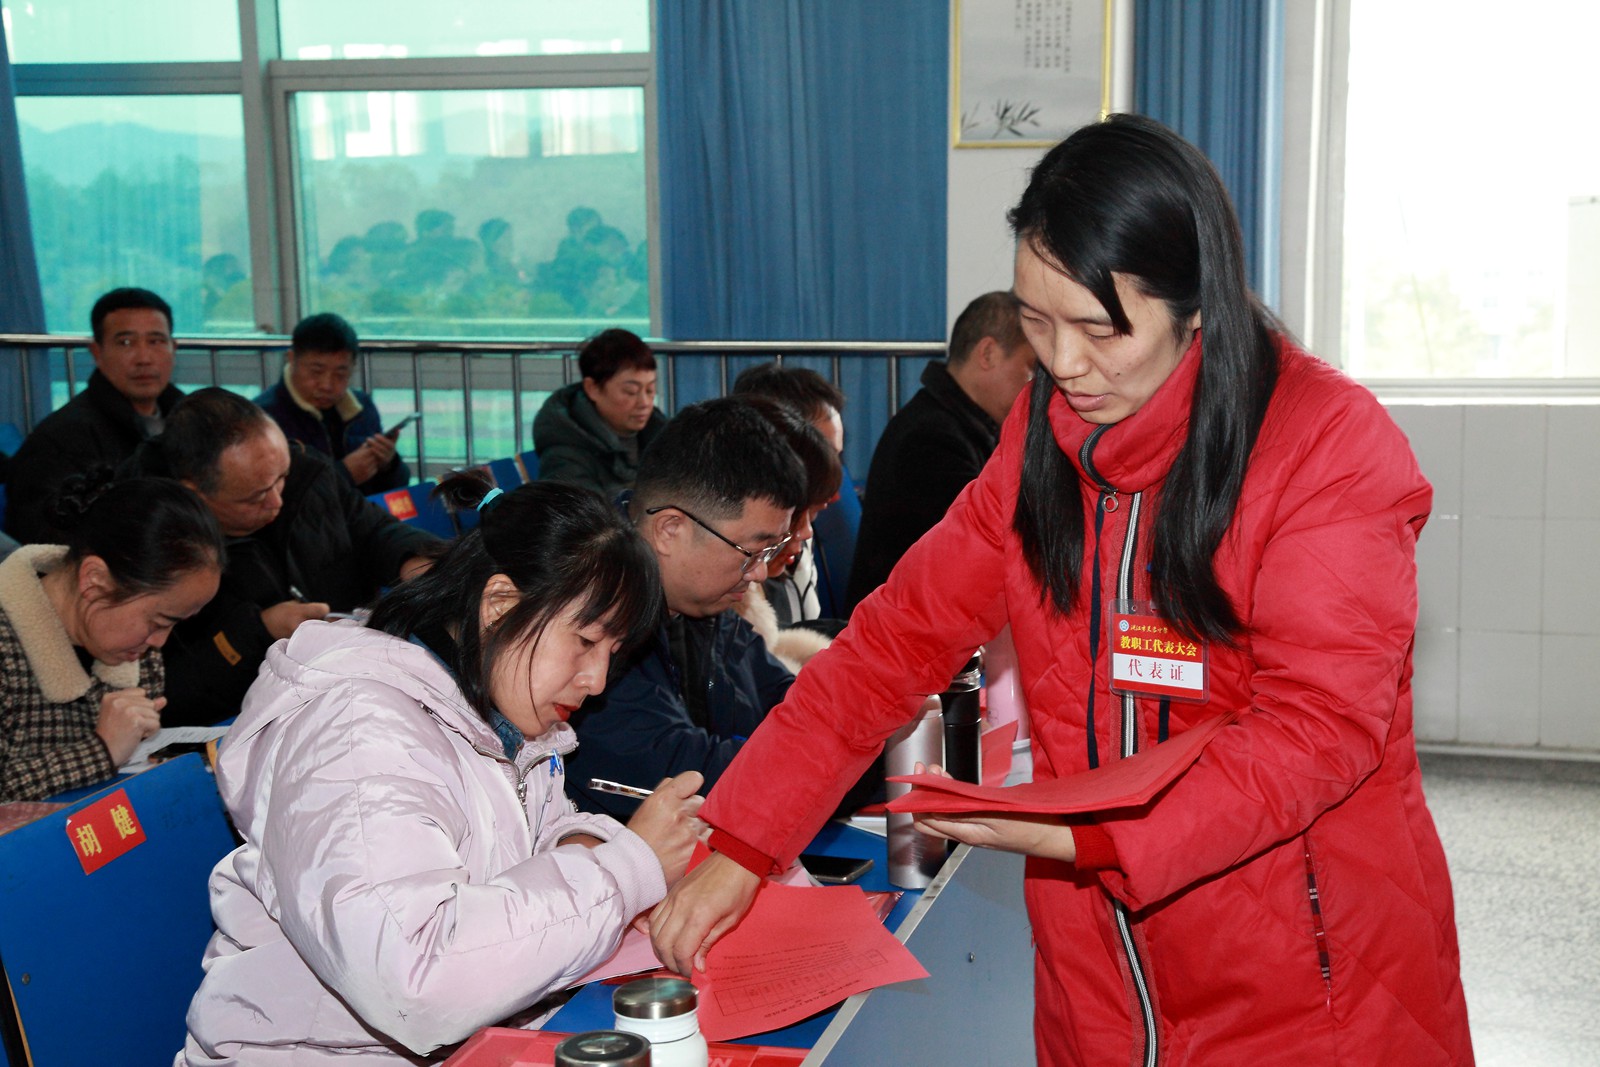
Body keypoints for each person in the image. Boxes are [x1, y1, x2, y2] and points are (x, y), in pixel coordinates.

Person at [649, 114, 1473, 1065]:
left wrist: (1093, 834)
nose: (1064, 364)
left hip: (1306, 980)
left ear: (1196, 306)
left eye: (1098, 328)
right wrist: (745, 841)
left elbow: (1317, 729)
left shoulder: (1325, 446)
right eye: (1037, 322)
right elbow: (894, 640)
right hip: (1097, 970)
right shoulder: (1043, 435)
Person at [179, 475, 706, 1065]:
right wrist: (623, 870)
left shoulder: (498, 707)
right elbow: (417, 980)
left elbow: (527, 841)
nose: (598, 680)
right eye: (585, 641)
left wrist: (582, 844)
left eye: (613, 652)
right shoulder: (357, 735)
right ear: (500, 604)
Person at [127, 388, 442, 727]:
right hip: (250, 717)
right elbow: (172, 692)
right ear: (195, 494)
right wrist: (261, 631)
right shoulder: (146, 545)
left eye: (281, 479)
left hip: (348, 689)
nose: (276, 501)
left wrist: (413, 559)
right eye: (256, 497)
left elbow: (371, 529)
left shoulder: (306, 471)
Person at [564, 397, 806, 820]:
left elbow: (793, 705)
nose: (759, 573)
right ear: (670, 530)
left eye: (772, 550)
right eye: (752, 551)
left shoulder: (702, 605)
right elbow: (691, 776)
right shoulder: (590, 621)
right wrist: (842, 753)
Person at [0, 474, 222, 802]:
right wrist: (99, 751)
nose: (160, 642)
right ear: (95, 580)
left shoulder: (135, 652)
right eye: (159, 622)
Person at [844, 290, 1034, 614]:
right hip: (897, 629)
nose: (1034, 386)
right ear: (987, 353)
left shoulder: (954, 423)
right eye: (1031, 367)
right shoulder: (930, 440)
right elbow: (993, 549)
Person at [5, 288, 184, 544]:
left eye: (156, 341)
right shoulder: (60, 439)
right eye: (126, 342)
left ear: (173, 348)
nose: (144, 358)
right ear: (96, 352)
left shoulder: (190, 421)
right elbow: (45, 539)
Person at [729, 363, 848, 625]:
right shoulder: (729, 565)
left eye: (837, 457)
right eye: (822, 455)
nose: (835, 486)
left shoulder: (801, 534)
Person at [254, 312, 410, 496]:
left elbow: (395, 489)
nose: (327, 385)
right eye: (316, 372)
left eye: (340, 374)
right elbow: (270, 498)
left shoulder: (362, 407)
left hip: (366, 513)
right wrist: (344, 475)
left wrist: (389, 465)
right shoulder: (263, 418)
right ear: (291, 358)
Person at [533, 328, 666, 500]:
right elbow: (584, 514)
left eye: (650, 390)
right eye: (630, 391)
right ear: (592, 389)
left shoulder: (661, 435)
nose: (645, 403)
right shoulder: (565, 454)